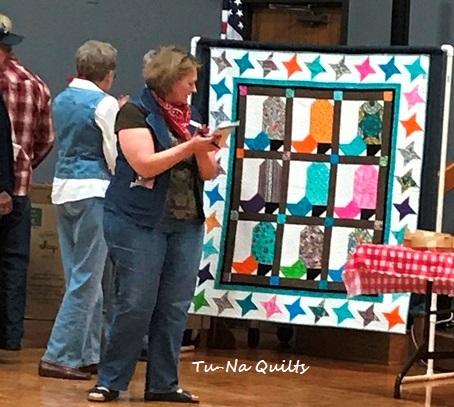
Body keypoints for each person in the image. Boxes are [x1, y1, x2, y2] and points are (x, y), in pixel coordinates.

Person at [87, 46, 219, 403]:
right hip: (137, 221)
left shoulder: (191, 117)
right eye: (189, 82)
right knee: (134, 303)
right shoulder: (134, 113)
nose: (194, 89)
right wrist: (190, 147)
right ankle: (111, 380)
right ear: (170, 80)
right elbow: (144, 164)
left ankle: (164, 383)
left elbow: (208, 174)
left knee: (175, 306)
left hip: (185, 223)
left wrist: (207, 149)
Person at [38, 40, 120, 380]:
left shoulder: (61, 98)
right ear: (109, 73)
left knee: (80, 277)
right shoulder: (106, 103)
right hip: (94, 191)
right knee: (87, 280)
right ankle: (57, 355)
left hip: (63, 189)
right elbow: (113, 155)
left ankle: (85, 353)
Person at [0, 14, 54, 351]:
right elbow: (46, 140)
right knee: (15, 263)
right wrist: (22, 167)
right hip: (19, 189)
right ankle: (9, 336)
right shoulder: (36, 84)